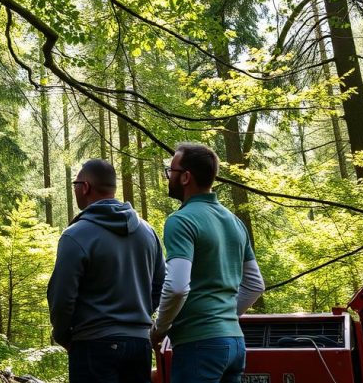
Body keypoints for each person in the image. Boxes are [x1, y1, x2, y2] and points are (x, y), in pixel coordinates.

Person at [150, 142, 265, 383]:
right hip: (235, 343)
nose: (168, 177)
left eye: (172, 171)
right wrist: (222, 320)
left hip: (198, 346)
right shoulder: (234, 222)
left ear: (186, 177)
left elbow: (177, 287)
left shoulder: (181, 221)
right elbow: (255, 285)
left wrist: (158, 331)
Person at [47, 159, 166, 383]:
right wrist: (137, 315)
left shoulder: (76, 234)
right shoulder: (148, 232)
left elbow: (62, 296)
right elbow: (162, 284)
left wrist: (63, 335)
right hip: (139, 345)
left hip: (93, 345)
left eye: (75, 184)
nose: (74, 190)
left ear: (85, 187)